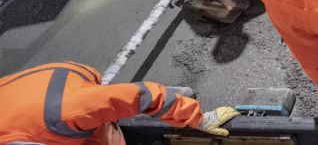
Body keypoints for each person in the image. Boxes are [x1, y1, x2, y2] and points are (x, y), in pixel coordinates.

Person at [0, 61, 239, 144]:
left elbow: (144, 96)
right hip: (28, 87)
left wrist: (199, 119)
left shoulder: (68, 114)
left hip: (65, 85)